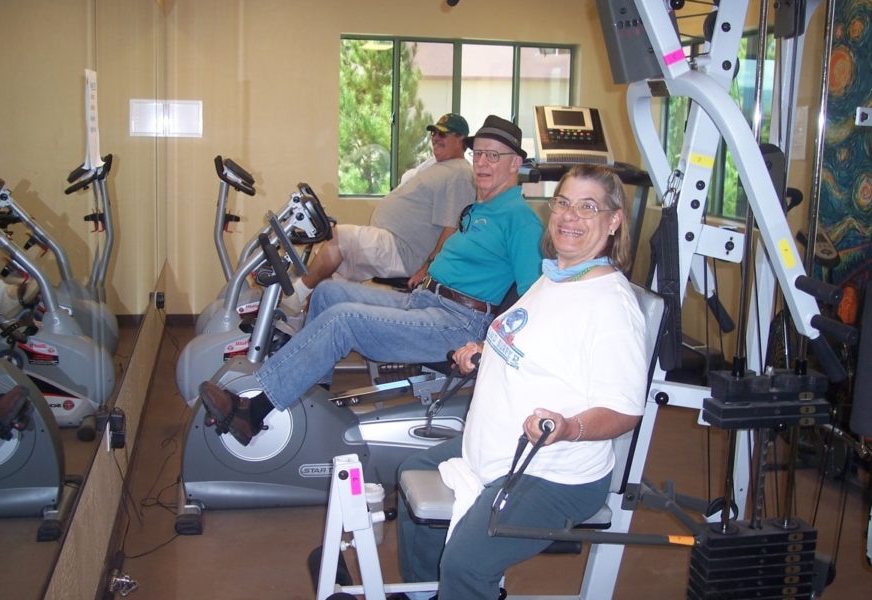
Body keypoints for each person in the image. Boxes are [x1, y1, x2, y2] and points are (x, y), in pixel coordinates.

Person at [198, 115, 544, 446]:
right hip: (426, 301)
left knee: (343, 320)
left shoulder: (520, 220)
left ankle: (252, 412)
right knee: (329, 292)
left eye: (494, 156)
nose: (482, 163)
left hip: (457, 323)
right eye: (478, 153)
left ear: (515, 164)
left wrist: (490, 346)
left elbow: (533, 297)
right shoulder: (480, 209)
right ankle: (308, 393)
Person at [394, 164, 649, 600]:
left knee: (466, 564)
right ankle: (427, 592)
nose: (570, 216)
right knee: (413, 467)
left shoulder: (610, 306)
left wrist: (568, 427)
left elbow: (625, 410)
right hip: (496, 445)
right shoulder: (556, 276)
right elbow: (532, 342)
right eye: (564, 203)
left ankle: (457, 586)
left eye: (588, 207)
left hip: (552, 472)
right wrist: (483, 349)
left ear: (613, 220)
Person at [280, 113, 475, 315]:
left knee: (340, 237)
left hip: (403, 250)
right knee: (331, 280)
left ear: (460, 138)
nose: (435, 138)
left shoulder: (460, 173)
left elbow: (451, 229)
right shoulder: (439, 166)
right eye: (433, 133)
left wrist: (427, 268)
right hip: (393, 243)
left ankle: (295, 296)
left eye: (442, 134)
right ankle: (300, 322)